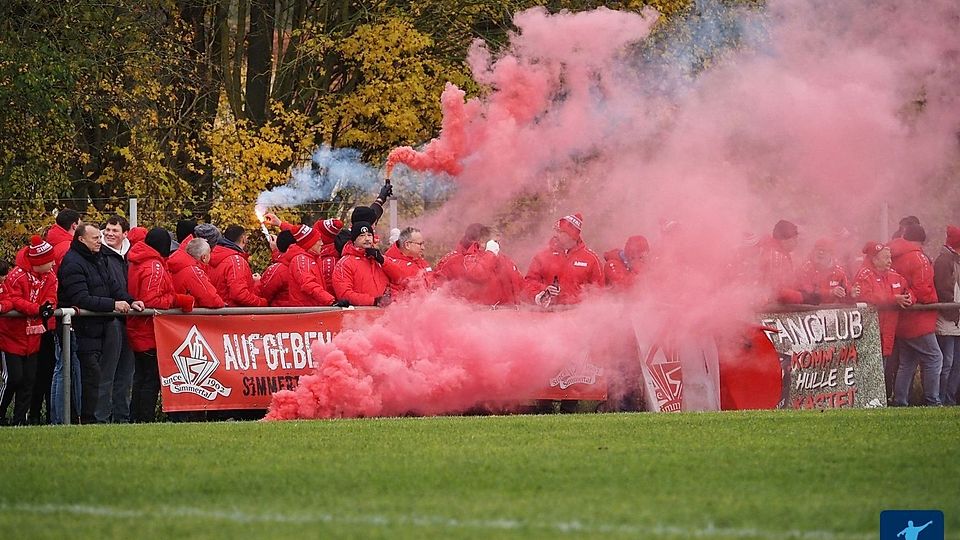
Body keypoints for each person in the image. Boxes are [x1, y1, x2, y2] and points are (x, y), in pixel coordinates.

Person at [57, 224, 145, 424]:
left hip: (99, 328)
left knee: (97, 377)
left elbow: (112, 286)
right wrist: (113, 305)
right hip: (81, 330)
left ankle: (95, 419)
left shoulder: (99, 258)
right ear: (81, 239)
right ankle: (88, 420)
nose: (100, 240)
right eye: (96, 238)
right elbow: (81, 298)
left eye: (99, 237)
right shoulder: (72, 263)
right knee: (90, 377)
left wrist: (131, 301)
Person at [127, 228, 194, 422]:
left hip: (139, 327)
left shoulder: (139, 261)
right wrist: (177, 299)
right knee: (150, 378)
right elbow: (151, 299)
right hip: (147, 329)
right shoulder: (153, 266)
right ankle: (145, 418)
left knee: (141, 377)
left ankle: (137, 418)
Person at [0, 236, 57, 425]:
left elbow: (51, 295)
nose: (53, 263)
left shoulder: (51, 276)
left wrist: (48, 306)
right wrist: (37, 309)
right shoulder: (17, 276)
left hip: (34, 336)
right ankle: (2, 413)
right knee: (14, 378)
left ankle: (19, 420)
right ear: (39, 262)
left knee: (29, 381)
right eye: (50, 260)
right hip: (12, 336)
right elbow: (14, 300)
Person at [889, 224, 943, 406]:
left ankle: (900, 400)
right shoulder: (919, 258)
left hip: (901, 320)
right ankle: (932, 400)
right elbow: (923, 290)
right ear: (921, 240)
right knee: (935, 357)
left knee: (907, 362)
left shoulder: (894, 256)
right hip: (919, 320)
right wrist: (932, 299)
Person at [852, 242, 912, 402]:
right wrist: (893, 299)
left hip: (888, 331)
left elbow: (908, 291)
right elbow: (867, 296)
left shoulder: (894, 275)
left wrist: (909, 298)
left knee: (884, 368)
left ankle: (881, 400)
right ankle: (868, 400)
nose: (890, 261)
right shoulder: (864, 275)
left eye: (890, 257)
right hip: (870, 331)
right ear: (874, 259)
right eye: (886, 257)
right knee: (870, 369)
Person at [95, 215, 136, 423]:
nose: (110, 234)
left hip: (128, 317)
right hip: (110, 318)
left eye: (114, 231)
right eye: (107, 230)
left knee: (125, 374)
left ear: (125, 234)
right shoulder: (100, 254)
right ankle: (101, 417)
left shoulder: (130, 255)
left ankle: (122, 417)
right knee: (107, 372)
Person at [524, 213, 604, 307]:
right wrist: (543, 291)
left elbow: (600, 291)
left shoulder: (591, 259)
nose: (556, 235)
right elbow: (528, 282)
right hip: (547, 315)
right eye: (556, 231)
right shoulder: (542, 256)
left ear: (572, 235)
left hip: (578, 315)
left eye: (561, 232)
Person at [436, 224, 523, 306]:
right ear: (482, 242)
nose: (497, 245)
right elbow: (478, 274)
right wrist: (490, 253)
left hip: (507, 313)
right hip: (483, 313)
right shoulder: (471, 259)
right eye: (495, 242)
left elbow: (519, 283)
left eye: (498, 242)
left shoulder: (504, 260)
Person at [264, 214, 344, 296]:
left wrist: (276, 251)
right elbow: (300, 233)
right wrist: (280, 224)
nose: (310, 233)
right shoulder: (317, 252)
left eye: (314, 232)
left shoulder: (320, 260)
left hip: (308, 305)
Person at [332, 222, 398, 306]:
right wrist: (374, 301)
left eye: (369, 235)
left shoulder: (379, 259)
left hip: (385, 314)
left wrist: (383, 261)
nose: (367, 239)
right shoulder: (345, 263)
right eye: (362, 235)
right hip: (360, 315)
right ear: (354, 240)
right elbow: (344, 294)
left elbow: (400, 278)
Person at [933, 225, 960, 405]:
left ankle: (949, 399)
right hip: (949, 317)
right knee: (947, 362)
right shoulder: (944, 261)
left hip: (956, 317)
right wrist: (953, 313)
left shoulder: (953, 259)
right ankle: (941, 399)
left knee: (955, 362)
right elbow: (943, 290)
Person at [209, 225, 267, 307]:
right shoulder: (236, 261)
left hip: (218, 312)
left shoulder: (213, 255)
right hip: (233, 314)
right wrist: (262, 302)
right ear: (243, 239)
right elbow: (239, 294)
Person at [288, 224, 343, 307]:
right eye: (319, 240)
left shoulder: (314, 258)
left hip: (313, 309)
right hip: (305, 313)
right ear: (310, 244)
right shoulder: (300, 260)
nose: (322, 243)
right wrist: (330, 301)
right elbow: (308, 284)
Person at [757, 220, 809, 304]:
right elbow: (776, 290)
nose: (796, 242)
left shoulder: (779, 253)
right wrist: (801, 297)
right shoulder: (775, 256)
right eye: (794, 239)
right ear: (784, 239)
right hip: (769, 308)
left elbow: (787, 283)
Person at [169, 238, 225, 309]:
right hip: (186, 316)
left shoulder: (178, 264)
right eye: (210, 253)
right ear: (204, 257)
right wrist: (223, 306)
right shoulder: (193, 272)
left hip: (173, 313)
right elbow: (211, 299)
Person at [796, 238, 850, 304]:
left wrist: (851, 294)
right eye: (818, 249)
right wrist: (830, 292)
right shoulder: (806, 269)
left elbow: (846, 292)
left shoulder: (839, 272)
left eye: (824, 250)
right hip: (809, 309)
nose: (820, 252)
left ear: (831, 254)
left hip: (831, 310)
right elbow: (807, 291)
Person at [385, 227, 434, 295]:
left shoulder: (420, 261)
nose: (423, 248)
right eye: (420, 244)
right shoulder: (393, 266)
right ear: (407, 245)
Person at [258, 231, 296, 306]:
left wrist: (257, 282)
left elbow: (263, 293)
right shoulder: (305, 261)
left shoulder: (278, 270)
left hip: (280, 313)